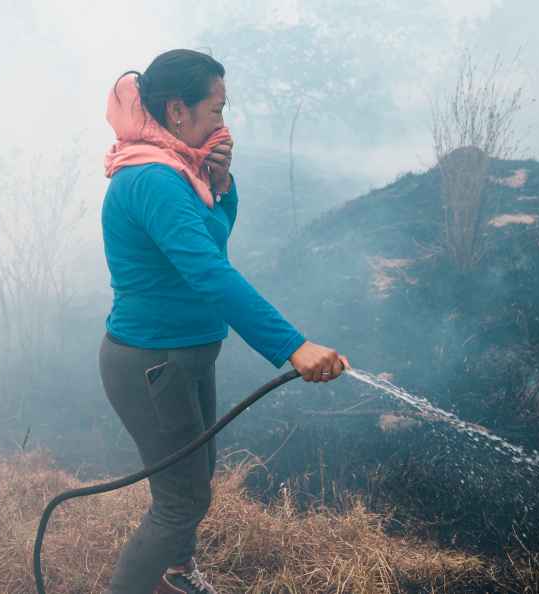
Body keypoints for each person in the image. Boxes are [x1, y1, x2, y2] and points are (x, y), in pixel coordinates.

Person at [98, 49, 350, 594]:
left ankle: (173, 578)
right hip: (153, 363)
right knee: (180, 501)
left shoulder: (178, 169)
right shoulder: (153, 179)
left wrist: (221, 179)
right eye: (215, 110)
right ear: (177, 111)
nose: (223, 122)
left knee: (194, 484)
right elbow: (211, 272)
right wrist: (293, 346)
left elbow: (214, 234)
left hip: (181, 356)